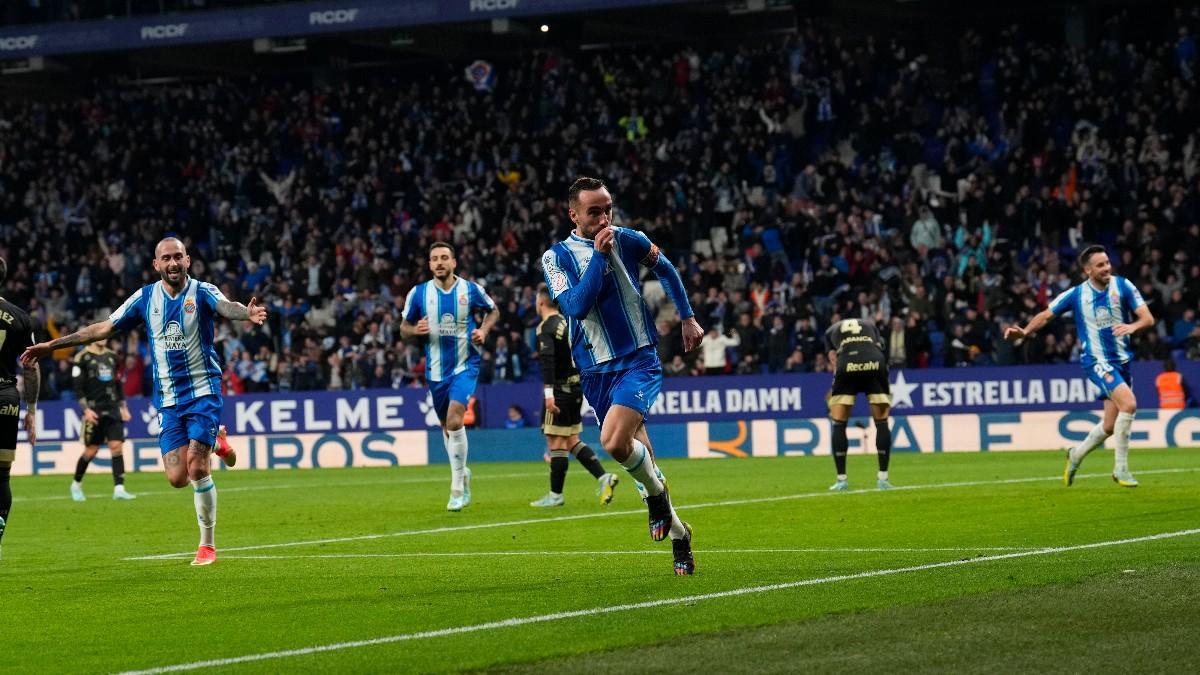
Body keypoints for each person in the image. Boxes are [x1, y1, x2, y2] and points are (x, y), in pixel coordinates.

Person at [21, 238, 265, 565]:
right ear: (156, 264)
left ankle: (207, 544)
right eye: (167, 258)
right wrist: (52, 345)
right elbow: (104, 328)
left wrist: (245, 314)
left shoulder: (203, 291)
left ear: (188, 260)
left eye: (178, 256)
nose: (173, 263)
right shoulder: (146, 298)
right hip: (167, 399)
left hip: (203, 390)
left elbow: (227, 306)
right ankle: (217, 441)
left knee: (196, 467)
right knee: (177, 478)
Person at [541, 176, 704, 575]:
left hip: (638, 360)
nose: (603, 218)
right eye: (593, 212)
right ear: (573, 214)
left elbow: (666, 269)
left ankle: (657, 504)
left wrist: (687, 316)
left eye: (607, 209)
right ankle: (681, 534)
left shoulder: (630, 239)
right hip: (595, 370)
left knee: (614, 442)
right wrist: (598, 257)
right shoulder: (556, 257)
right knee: (646, 470)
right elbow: (576, 306)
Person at [1005, 245, 1154, 487]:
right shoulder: (1076, 295)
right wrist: (1024, 332)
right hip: (1096, 361)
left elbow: (1147, 318)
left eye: (1107, 263)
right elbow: (1045, 315)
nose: (1106, 268)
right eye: (1100, 265)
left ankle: (1075, 454)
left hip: (1122, 361)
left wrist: (1133, 327)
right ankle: (1121, 469)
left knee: (1108, 425)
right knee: (1129, 403)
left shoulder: (1123, 286)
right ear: (1087, 270)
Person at [400, 242, 499, 512]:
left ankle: (456, 486)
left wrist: (484, 331)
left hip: (466, 364)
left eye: (445, 257)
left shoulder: (470, 289)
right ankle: (463, 474)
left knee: (456, 418)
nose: (440, 262)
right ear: (430, 264)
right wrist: (414, 330)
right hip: (435, 371)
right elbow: (403, 328)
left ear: (454, 262)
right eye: (434, 259)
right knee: (446, 426)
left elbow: (493, 310)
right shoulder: (418, 294)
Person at [529, 287, 620, 508]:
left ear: (540, 302)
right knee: (571, 440)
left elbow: (547, 361)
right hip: (576, 387)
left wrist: (549, 393)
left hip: (559, 390)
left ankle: (555, 495)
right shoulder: (567, 322)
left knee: (555, 441)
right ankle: (603, 477)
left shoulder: (546, 327)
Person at [824, 317, 894, 491]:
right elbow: (881, 347)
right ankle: (883, 478)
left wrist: (837, 378)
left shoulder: (829, 332)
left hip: (847, 364)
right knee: (882, 421)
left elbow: (833, 358)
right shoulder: (871, 326)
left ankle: (841, 480)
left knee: (839, 423)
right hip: (874, 361)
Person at [0, 257, 39, 560]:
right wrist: (32, 410)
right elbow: (31, 368)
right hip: (6, 399)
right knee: (1, 476)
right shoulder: (19, 317)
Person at [69, 340, 136, 501]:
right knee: (91, 450)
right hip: (94, 410)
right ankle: (76, 484)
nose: (103, 338)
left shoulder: (112, 356)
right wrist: (86, 410)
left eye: (105, 335)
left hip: (112, 409)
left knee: (116, 446)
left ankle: (119, 489)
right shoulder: (81, 357)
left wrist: (123, 407)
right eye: (99, 334)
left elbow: (118, 384)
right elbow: (78, 389)